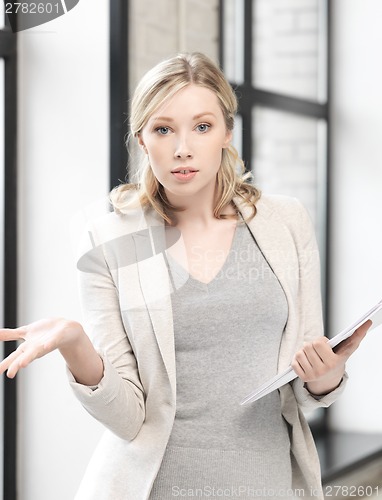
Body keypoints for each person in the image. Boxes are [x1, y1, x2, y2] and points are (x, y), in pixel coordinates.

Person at [0, 52, 371, 500]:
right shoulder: (106, 239)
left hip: (266, 482)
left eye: (201, 126)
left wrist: (326, 374)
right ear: (141, 139)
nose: (182, 148)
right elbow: (126, 418)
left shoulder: (285, 222)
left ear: (227, 133)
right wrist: (75, 343)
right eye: (163, 129)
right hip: (153, 486)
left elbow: (309, 385)